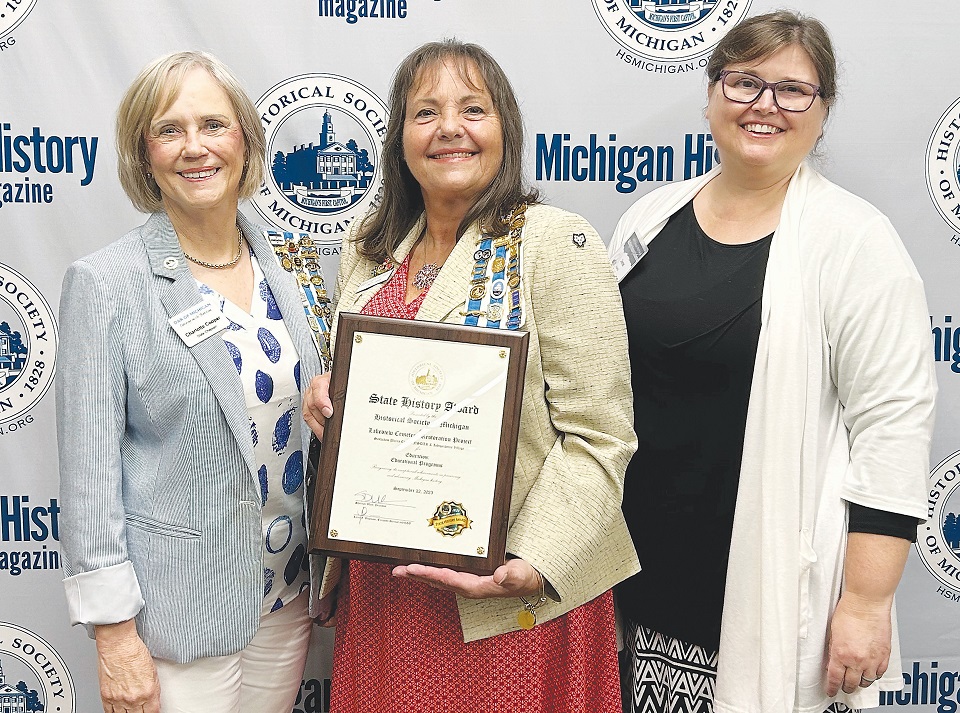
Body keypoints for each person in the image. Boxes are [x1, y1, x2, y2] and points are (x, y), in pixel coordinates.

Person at [609, 11, 936, 713]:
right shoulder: (649, 220)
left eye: (793, 90)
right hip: (637, 581)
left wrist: (867, 603)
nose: (765, 105)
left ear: (823, 111)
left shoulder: (856, 243)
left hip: (766, 589)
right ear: (711, 94)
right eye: (745, 81)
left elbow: (894, 430)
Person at [302, 39, 639, 712]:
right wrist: (329, 392)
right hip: (388, 589)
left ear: (504, 130)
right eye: (425, 111)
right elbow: (366, 382)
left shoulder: (554, 242)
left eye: (472, 109)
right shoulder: (368, 251)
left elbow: (599, 435)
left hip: (513, 595)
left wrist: (535, 561)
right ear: (400, 136)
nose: (449, 127)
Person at [56, 51, 328, 713]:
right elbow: (89, 479)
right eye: (170, 129)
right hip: (178, 615)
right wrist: (113, 633)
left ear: (245, 142)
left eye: (213, 124)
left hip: (285, 594)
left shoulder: (288, 261)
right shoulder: (107, 283)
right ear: (142, 153)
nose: (195, 146)